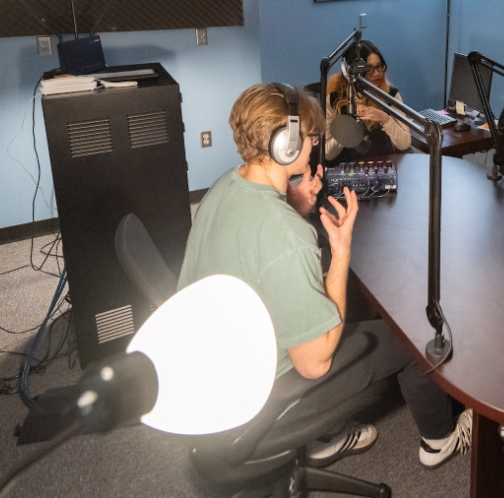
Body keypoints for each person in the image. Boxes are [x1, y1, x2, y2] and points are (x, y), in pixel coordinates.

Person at [180, 83, 471, 470]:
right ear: (285, 144)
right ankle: (439, 440)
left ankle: (323, 435)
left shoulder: (222, 186)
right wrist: (341, 250)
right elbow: (314, 363)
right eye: (312, 135)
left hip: (216, 367)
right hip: (264, 393)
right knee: (418, 336)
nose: (317, 142)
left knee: (344, 295)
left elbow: (257, 247)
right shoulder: (286, 236)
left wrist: (296, 205)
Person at [324, 40, 411, 163]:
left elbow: (404, 144)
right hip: (346, 169)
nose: (377, 73)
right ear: (352, 71)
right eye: (369, 68)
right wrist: (346, 125)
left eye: (379, 66)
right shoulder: (334, 99)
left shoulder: (391, 95)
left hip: (381, 164)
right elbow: (328, 154)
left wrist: (385, 119)